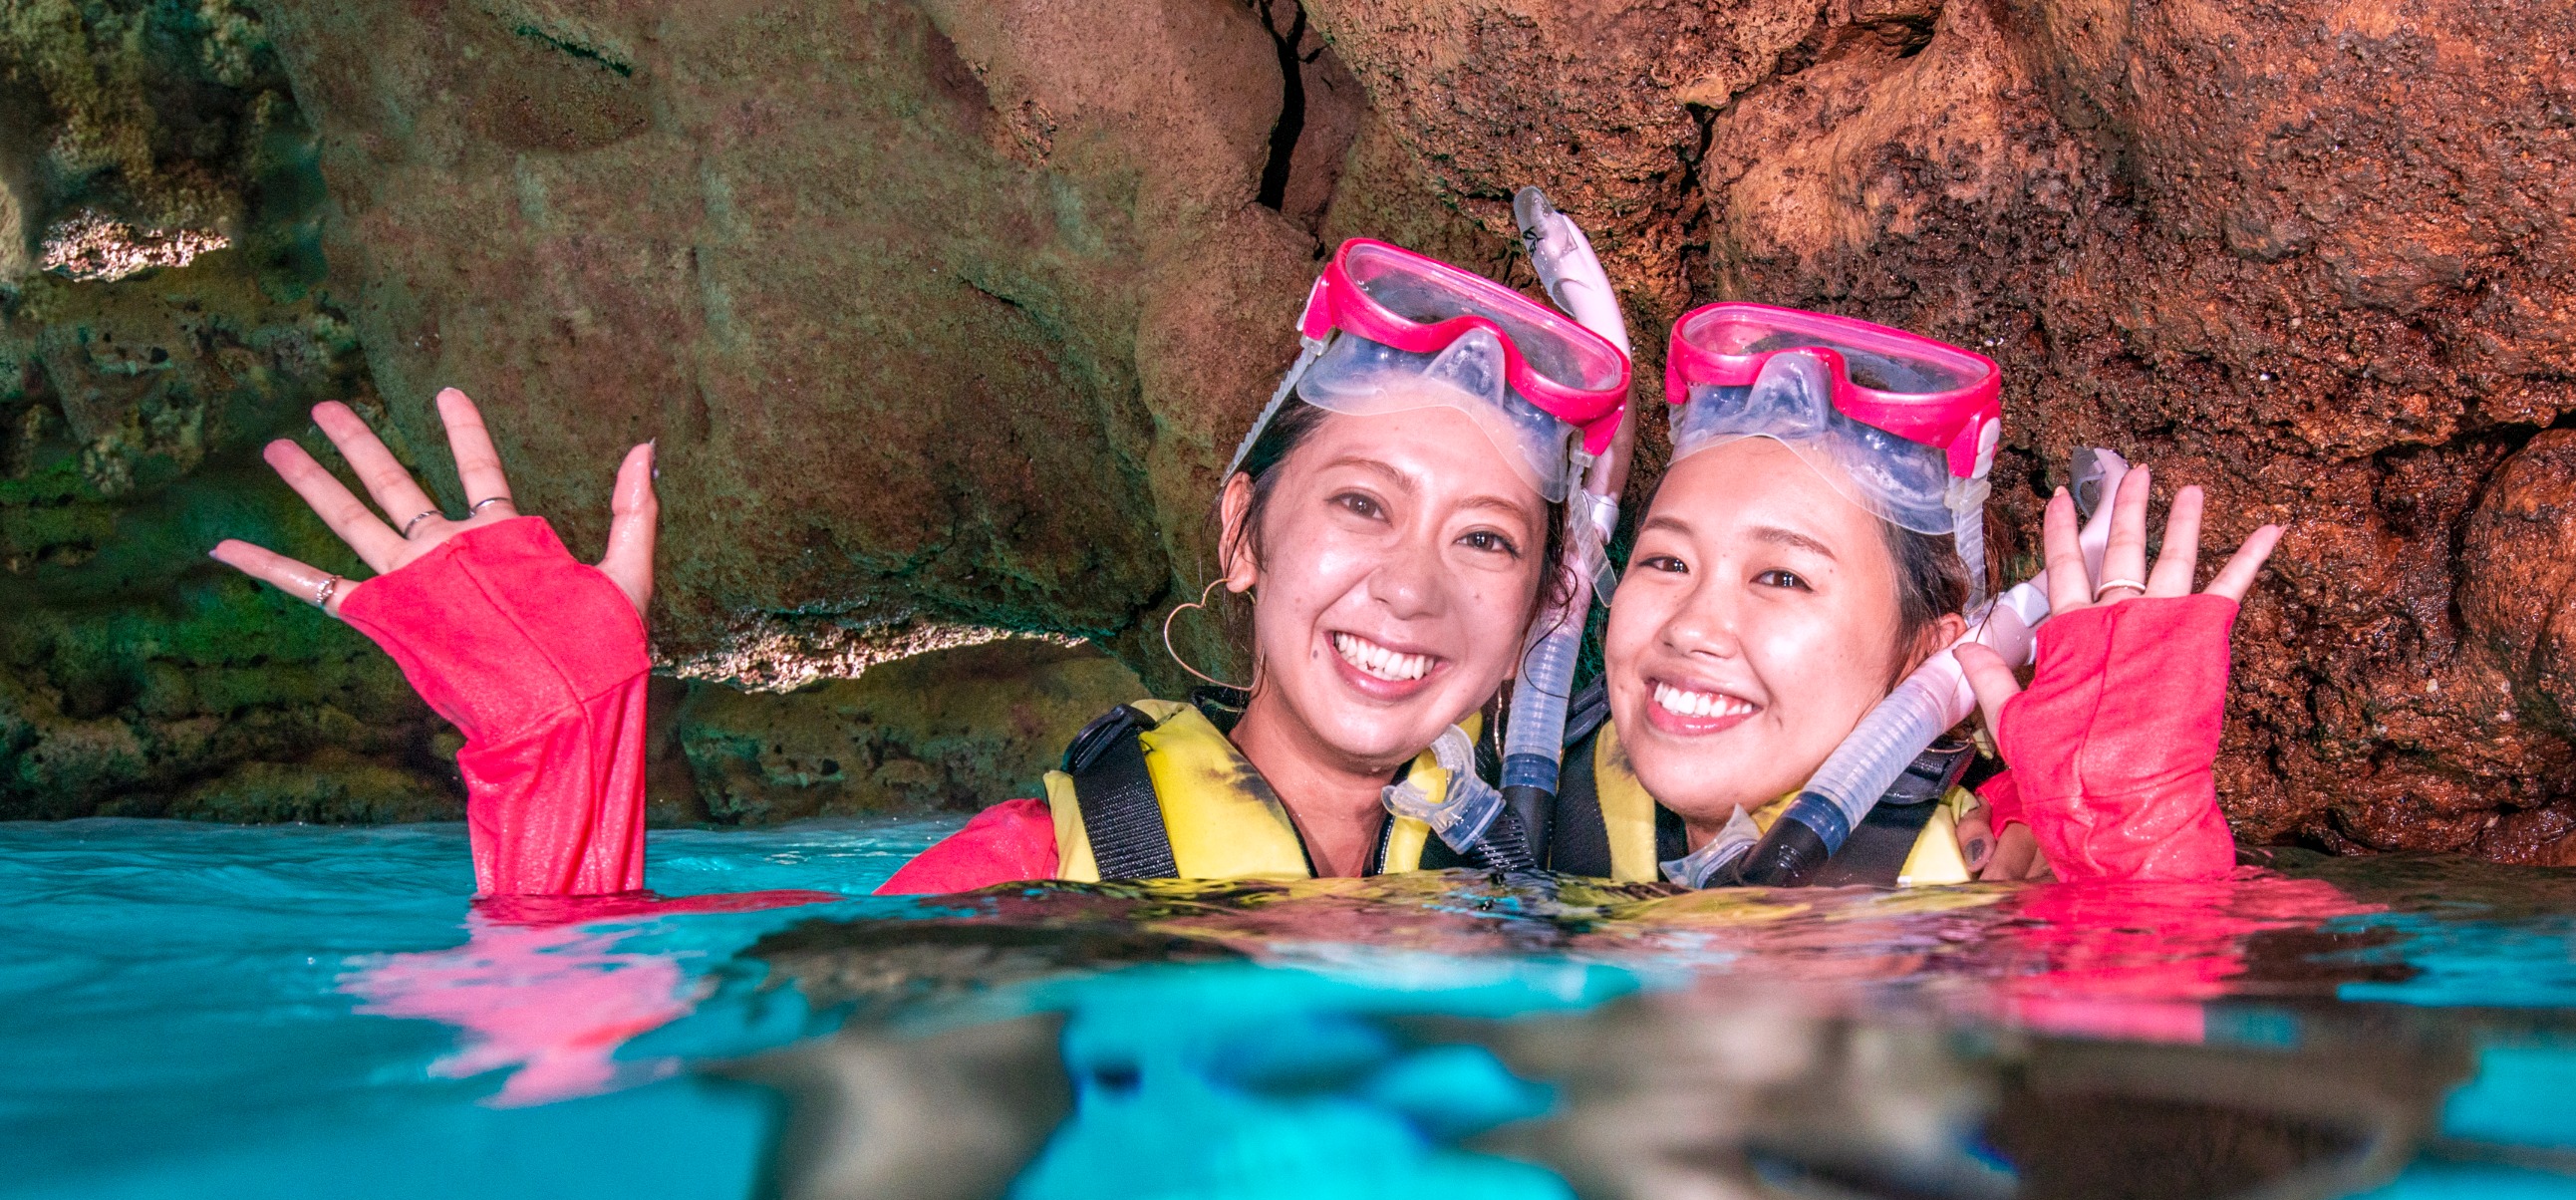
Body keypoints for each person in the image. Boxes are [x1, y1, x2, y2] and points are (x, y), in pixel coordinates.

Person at [207, 231, 1635, 896]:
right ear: (1240, 534)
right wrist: (556, 746)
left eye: (1487, 539)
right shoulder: (1036, 871)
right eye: (1364, 504)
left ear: (1535, 619)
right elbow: (605, 1067)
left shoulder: (1544, 878)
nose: (1411, 586)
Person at [1569, 301, 2285, 888]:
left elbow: (2151, 1036)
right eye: (1665, 562)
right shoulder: (1527, 788)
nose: (1692, 625)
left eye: (1781, 577)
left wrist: (2127, 830)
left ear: (1925, 655)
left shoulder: (1976, 882)